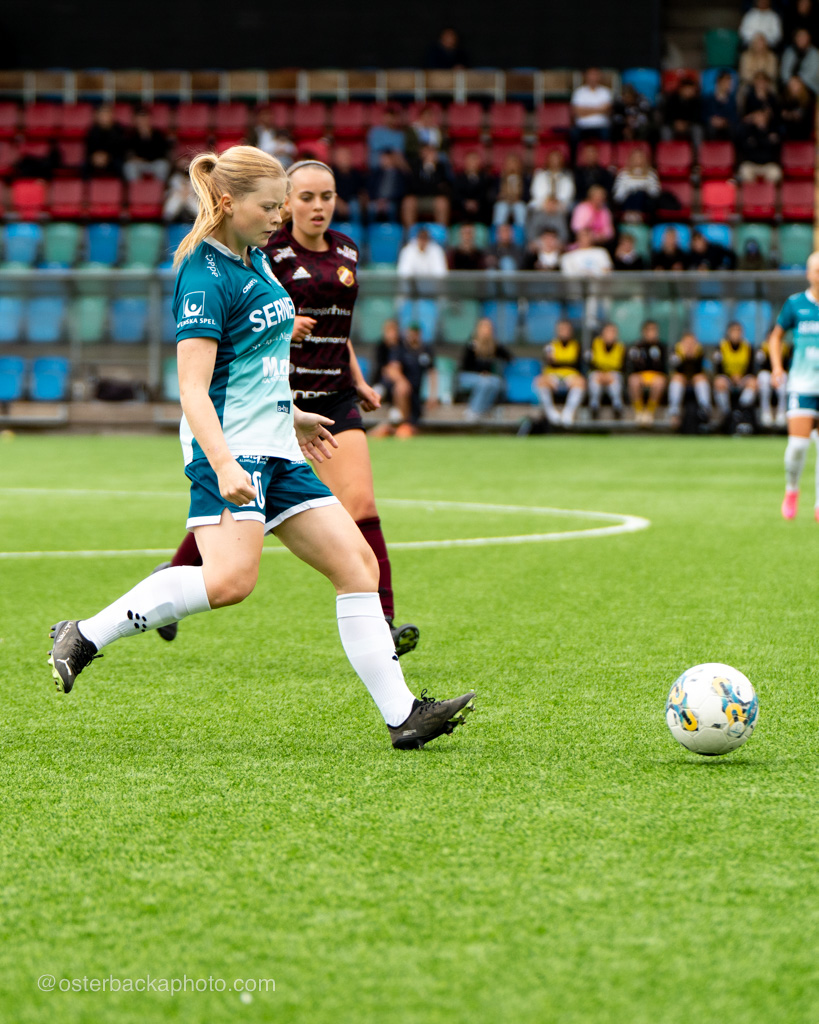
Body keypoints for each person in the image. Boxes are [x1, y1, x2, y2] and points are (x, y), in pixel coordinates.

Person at [46, 146, 474, 749]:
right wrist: (223, 463)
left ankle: (404, 715)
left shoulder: (258, 259)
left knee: (358, 567)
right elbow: (193, 388)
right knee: (230, 582)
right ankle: (85, 634)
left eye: (281, 206)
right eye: (270, 207)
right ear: (228, 203)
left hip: (276, 444)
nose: (280, 217)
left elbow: (259, 361)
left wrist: (292, 416)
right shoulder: (204, 274)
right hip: (229, 446)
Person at [164, 158, 421, 659]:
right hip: (274, 397)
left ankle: (383, 622)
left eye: (327, 196)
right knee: (243, 521)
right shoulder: (263, 250)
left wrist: (357, 379)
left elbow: (339, 327)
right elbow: (240, 334)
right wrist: (289, 327)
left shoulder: (346, 249)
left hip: (331, 396)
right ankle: (171, 582)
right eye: (303, 198)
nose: (315, 207)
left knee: (360, 508)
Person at [767, 252, 819, 519]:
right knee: (798, 446)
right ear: (808, 274)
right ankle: (792, 489)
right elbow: (775, 337)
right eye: (817, 270)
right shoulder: (795, 304)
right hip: (802, 384)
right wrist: (777, 367)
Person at [372, 323, 438, 436]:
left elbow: (432, 373)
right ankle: (401, 423)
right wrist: (402, 381)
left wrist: (433, 396)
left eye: (416, 333)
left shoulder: (426, 350)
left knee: (409, 427)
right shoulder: (400, 348)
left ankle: (395, 427)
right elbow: (392, 369)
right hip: (400, 393)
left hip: (416, 394)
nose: (413, 336)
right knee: (400, 389)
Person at [457, 317, 512, 421]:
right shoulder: (471, 345)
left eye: (489, 328)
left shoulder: (494, 346)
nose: (487, 331)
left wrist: (497, 345)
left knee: (496, 382)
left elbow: (509, 357)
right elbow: (465, 366)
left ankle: (483, 410)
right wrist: (480, 373)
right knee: (485, 382)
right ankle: (473, 411)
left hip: (487, 377)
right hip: (468, 376)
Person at [534, 318, 586, 426]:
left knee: (580, 381)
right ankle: (551, 413)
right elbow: (548, 363)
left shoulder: (577, 346)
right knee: (540, 381)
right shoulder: (550, 346)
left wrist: (558, 362)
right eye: (561, 329)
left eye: (566, 329)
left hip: (570, 377)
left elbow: (577, 364)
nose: (564, 332)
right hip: (553, 377)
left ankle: (568, 413)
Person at [712, 321, 758, 427]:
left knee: (753, 382)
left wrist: (740, 377)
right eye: (734, 331)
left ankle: (741, 409)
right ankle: (727, 413)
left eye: (739, 331)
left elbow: (752, 370)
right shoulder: (721, 347)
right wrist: (731, 377)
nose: (736, 333)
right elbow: (717, 370)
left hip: (742, 379)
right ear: (728, 332)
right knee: (719, 382)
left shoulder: (748, 347)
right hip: (727, 378)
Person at [527, 147, 574, 242]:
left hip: (558, 209)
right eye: (553, 159)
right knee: (533, 214)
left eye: (557, 159)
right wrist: (546, 204)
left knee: (562, 218)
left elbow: (567, 196)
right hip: (542, 208)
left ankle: (562, 243)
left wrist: (555, 205)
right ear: (548, 160)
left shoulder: (566, 178)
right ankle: (532, 242)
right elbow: (536, 193)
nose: (555, 162)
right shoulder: (540, 176)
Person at [667, 332, 712, 430]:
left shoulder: (700, 351)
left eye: (692, 342)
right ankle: (674, 413)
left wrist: (694, 358)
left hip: (695, 380)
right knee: (677, 378)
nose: (689, 345)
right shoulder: (676, 351)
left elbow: (703, 370)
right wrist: (684, 357)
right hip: (682, 380)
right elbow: (676, 369)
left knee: (700, 378)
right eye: (687, 342)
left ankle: (705, 411)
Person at [627, 319, 668, 425]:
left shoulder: (662, 346)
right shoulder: (636, 346)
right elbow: (633, 366)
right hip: (641, 375)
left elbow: (663, 368)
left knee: (659, 381)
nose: (652, 333)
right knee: (633, 380)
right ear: (644, 332)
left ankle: (649, 411)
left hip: (656, 376)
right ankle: (639, 411)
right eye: (649, 330)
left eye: (654, 330)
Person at [402, 143, 453, 228]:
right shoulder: (415, 166)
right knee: (408, 202)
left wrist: (432, 168)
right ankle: (410, 233)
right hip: (418, 198)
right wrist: (428, 187)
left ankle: (441, 233)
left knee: (443, 203)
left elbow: (443, 186)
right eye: (426, 151)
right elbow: (413, 186)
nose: (429, 154)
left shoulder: (441, 167)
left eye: (431, 151)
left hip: (434, 199)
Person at [586, 322, 625, 419]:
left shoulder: (620, 347)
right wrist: (602, 373)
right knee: (594, 379)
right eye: (607, 332)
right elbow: (591, 364)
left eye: (613, 332)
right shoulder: (595, 344)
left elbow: (622, 367)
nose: (610, 335)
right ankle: (594, 406)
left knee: (615, 382)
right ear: (602, 333)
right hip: (598, 373)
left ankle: (617, 406)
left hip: (613, 374)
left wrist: (608, 374)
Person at [611, 148, 661, 221]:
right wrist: (629, 190)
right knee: (633, 193)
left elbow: (655, 193)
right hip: (627, 202)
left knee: (639, 193)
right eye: (635, 158)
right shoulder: (623, 174)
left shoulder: (651, 174)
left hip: (645, 203)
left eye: (640, 157)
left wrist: (644, 187)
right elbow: (617, 196)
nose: (638, 160)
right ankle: (631, 216)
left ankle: (637, 216)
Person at [123, 107, 170, 183]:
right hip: (139, 164)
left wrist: (147, 137)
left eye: (144, 118)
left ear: (149, 119)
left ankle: (158, 188)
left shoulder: (158, 135)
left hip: (154, 163)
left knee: (163, 165)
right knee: (129, 166)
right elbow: (129, 153)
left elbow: (162, 153)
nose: (142, 121)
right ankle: (136, 188)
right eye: (139, 119)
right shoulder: (131, 135)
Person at [756, 332, 791, 427]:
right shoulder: (762, 348)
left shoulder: (786, 348)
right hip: (767, 375)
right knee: (764, 377)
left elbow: (788, 366)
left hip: (781, 375)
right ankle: (765, 413)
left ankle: (782, 413)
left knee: (783, 378)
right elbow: (760, 366)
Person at [570, 67, 613, 143]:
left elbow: (607, 110)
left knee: (608, 134)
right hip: (582, 126)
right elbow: (578, 112)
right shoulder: (579, 92)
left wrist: (586, 110)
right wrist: (599, 109)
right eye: (591, 75)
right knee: (573, 134)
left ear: (599, 76)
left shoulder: (606, 92)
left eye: (595, 75)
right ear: (586, 76)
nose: (593, 77)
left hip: (601, 126)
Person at [453, 149, 495, 225]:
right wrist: (465, 203)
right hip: (462, 214)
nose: (472, 163)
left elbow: (487, 194)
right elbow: (456, 195)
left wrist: (477, 203)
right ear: (465, 162)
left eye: (475, 160)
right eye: (470, 160)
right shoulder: (458, 178)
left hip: (482, 214)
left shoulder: (486, 178)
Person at [84, 103, 126, 178]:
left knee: (121, 167)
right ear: (97, 116)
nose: (104, 117)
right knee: (84, 167)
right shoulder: (92, 130)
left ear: (112, 115)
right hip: (96, 160)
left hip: (113, 159)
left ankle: (122, 185)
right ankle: (86, 185)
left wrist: (107, 157)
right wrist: (95, 157)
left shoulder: (119, 130)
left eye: (106, 114)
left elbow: (120, 150)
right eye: (102, 114)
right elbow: (89, 150)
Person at [780, 27, 819, 95]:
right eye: (799, 36)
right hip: (790, 85)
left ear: (808, 38)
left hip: (809, 86)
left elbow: (812, 73)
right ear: (795, 38)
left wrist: (798, 82)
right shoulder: (789, 52)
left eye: (804, 36)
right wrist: (791, 81)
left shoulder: (814, 53)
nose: (801, 39)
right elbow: (784, 71)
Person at [703, 71, 739, 141]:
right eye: (725, 82)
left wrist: (724, 121)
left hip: (727, 126)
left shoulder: (732, 100)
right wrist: (711, 120)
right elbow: (703, 115)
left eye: (729, 82)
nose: (728, 85)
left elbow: (735, 116)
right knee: (709, 128)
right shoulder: (709, 99)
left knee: (735, 129)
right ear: (719, 82)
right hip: (712, 126)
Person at [163, 155, 200, 222]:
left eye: (186, 163)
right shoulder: (175, 178)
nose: (184, 165)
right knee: (175, 198)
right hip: (178, 197)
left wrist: (187, 194)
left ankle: (200, 218)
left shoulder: (195, 178)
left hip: (191, 198)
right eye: (182, 163)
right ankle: (167, 220)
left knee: (192, 199)